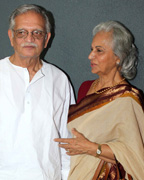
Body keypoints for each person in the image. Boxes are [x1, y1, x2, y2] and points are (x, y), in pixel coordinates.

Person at [54, 21, 144, 180]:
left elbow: (135, 156)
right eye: (91, 49)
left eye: (99, 50)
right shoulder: (85, 87)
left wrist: (90, 147)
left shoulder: (128, 99)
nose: (90, 56)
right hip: (75, 173)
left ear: (118, 57)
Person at [0, 4, 75, 180]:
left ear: (46, 39)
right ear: (11, 36)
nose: (29, 38)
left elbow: (68, 137)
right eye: (21, 32)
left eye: (37, 33)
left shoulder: (59, 80)